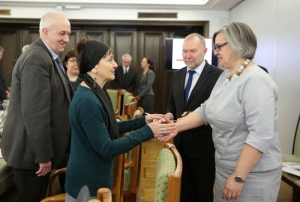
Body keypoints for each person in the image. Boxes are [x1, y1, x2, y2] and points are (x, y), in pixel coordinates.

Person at [159, 21, 282, 201]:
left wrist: (238, 177)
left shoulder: (256, 81)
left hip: (251, 175)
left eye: (219, 46)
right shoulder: (226, 76)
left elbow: (260, 136)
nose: (216, 52)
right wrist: (174, 127)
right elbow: (206, 110)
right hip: (225, 167)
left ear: (237, 44)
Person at [65, 38, 175, 201]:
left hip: (95, 178)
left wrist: (143, 121)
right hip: (87, 185)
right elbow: (107, 148)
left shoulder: (96, 91)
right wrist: (147, 132)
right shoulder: (87, 100)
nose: (115, 64)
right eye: (110, 60)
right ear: (94, 66)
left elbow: (112, 127)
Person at [1, 11, 73, 202]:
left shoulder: (48, 56)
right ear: (45, 32)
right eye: (62, 33)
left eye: (68, 34)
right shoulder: (37, 58)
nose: (66, 39)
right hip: (31, 155)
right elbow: (36, 114)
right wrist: (43, 155)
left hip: (35, 153)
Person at [165, 33, 223, 202]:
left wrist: (195, 116)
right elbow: (172, 104)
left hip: (204, 147)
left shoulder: (219, 75)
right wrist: (169, 115)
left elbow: (219, 111)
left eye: (192, 51)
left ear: (205, 51)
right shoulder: (177, 75)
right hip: (180, 143)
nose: (187, 56)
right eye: (184, 51)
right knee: (183, 192)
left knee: (202, 193)